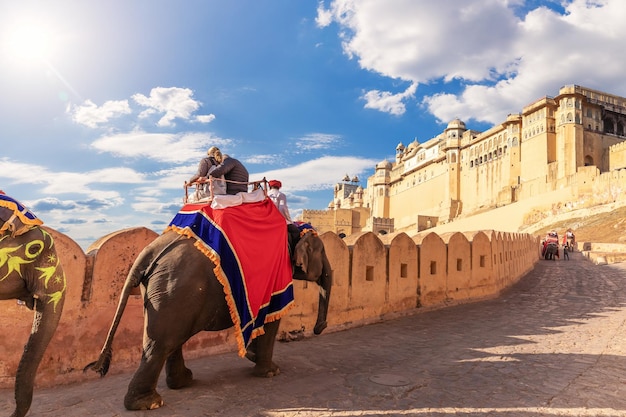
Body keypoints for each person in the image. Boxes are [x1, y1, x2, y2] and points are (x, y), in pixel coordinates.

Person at [268, 179, 300, 251]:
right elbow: (283, 208)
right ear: (279, 187)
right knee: (296, 232)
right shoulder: (281, 195)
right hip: (278, 221)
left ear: (270, 186)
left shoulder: (265, 195)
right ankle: (294, 252)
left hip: (266, 220)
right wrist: (289, 220)